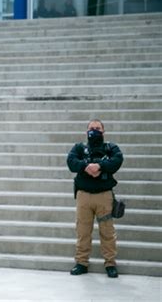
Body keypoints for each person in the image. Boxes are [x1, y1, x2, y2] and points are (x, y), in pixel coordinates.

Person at [67, 119, 124, 278]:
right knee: (83, 231)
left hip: (104, 196)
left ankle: (110, 264)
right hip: (83, 196)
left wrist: (99, 166)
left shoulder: (110, 148)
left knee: (107, 232)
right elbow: (71, 162)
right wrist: (86, 166)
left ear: (103, 131)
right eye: (91, 128)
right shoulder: (79, 148)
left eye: (98, 128)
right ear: (87, 131)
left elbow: (117, 160)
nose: (94, 131)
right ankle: (81, 263)